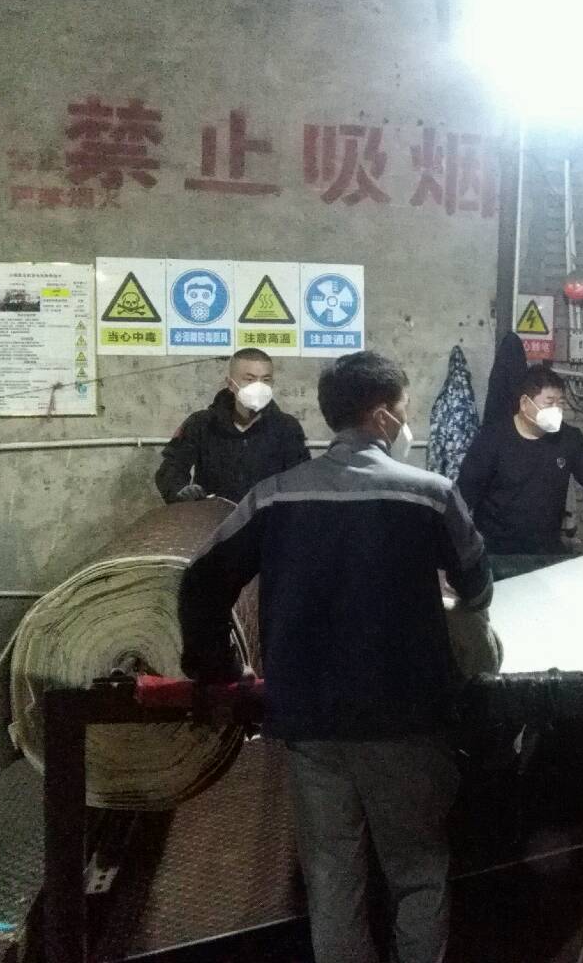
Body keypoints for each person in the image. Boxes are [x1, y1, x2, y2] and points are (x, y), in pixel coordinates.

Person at [178, 351, 493, 963]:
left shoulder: (273, 497)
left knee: (330, 877)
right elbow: (477, 585)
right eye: (403, 409)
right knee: (417, 871)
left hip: (309, 721)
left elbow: (200, 583)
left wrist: (220, 671)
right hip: (405, 720)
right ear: (383, 416)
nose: (405, 422)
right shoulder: (431, 495)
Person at [457, 364, 583, 578]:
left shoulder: (568, 439)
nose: (556, 410)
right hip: (497, 555)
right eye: (549, 402)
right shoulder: (492, 439)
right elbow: (463, 496)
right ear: (525, 403)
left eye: (560, 403)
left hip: (546, 552)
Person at [155, 347, 309, 504]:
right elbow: (171, 468)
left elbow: (301, 479)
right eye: (249, 379)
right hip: (214, 516)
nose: (259, 386)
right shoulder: (202, 423)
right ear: (230, 384)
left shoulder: (286, 427)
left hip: (267, 516)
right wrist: (181, 492)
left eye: (266, 380)